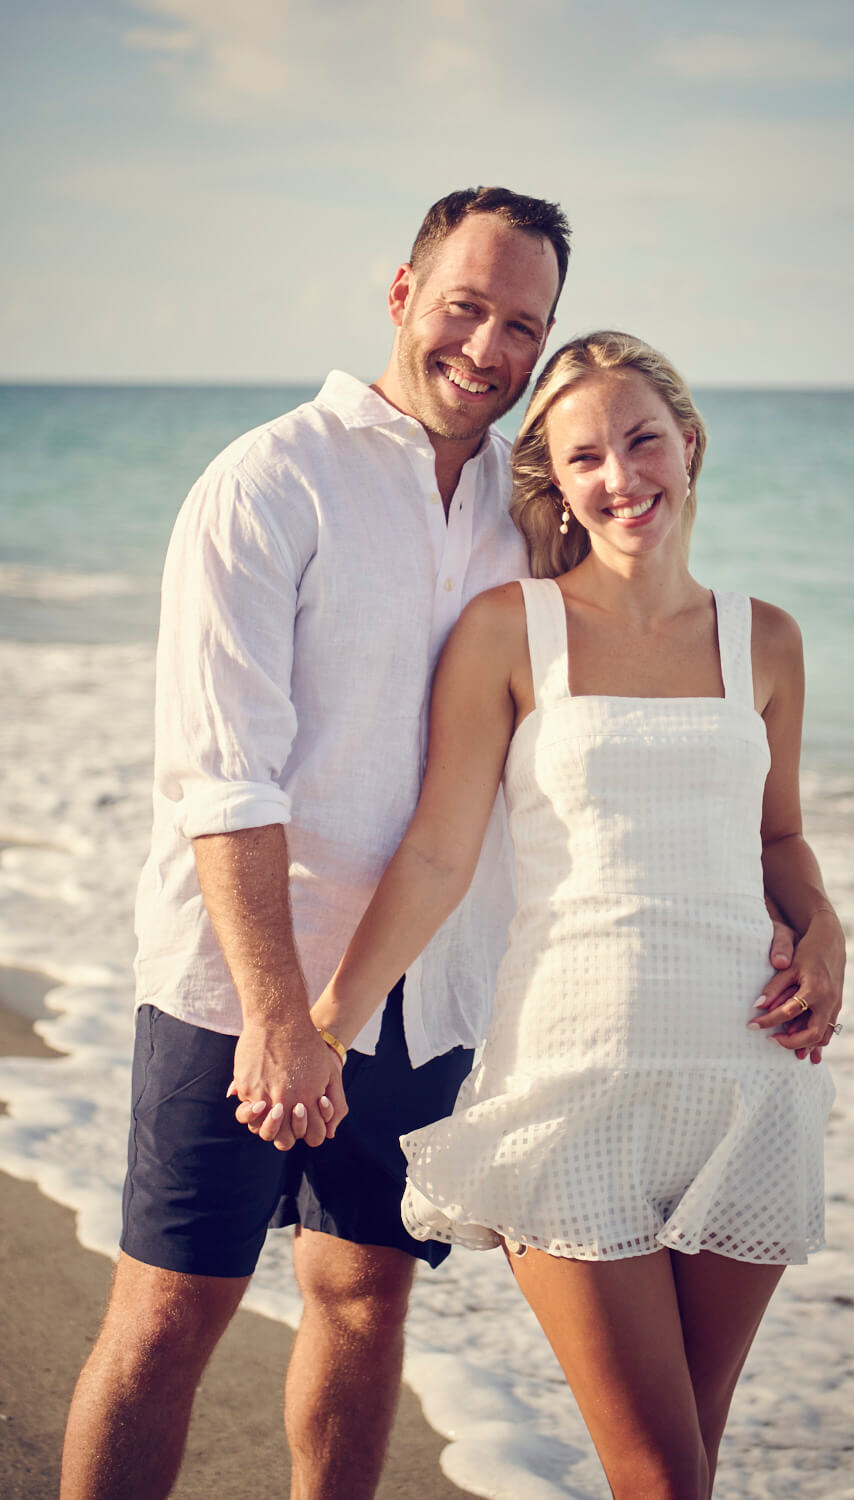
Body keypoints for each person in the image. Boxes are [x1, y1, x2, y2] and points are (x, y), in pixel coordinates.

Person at [59, 186, 573, 1500]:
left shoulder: (531, 517)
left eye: (524, 326)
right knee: (170, 1319)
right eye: (465, 307)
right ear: (401, 295)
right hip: (236, 987)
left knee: (361, 1300)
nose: (489, 349)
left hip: (428, 989)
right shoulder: (269, 478)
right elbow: (220, 777)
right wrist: (283, 1018)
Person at [275, 331, 846, 1499]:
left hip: (743, 1073)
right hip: (568, 1080)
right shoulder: (509, 628)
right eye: (585, 456)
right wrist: (327, 1021)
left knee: (691, 1450)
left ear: (686, 447)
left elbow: (775, 837)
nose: (619, 474)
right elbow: (438, 853)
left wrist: (821, 923)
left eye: (641, 440)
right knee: (659, 1475)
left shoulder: (765, 641)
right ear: (556, 480)